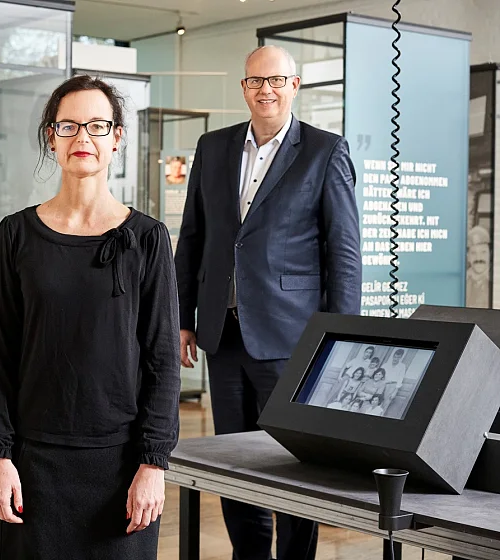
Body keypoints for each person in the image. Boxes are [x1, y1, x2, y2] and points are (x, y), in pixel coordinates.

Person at [0, 74, 181, 559]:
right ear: (51, 137)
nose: (82, 138)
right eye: (68, 126)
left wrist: (153, 463)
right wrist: (0, 455)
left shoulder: (147, 239)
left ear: (116, 138)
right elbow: (1, 354)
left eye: (97, 126)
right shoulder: (16, 234)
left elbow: (162, 362)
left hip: (120, 466)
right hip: (34, 462)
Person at [175, 45, 362, 560]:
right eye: (256, 81)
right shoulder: (213, 147)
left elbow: (344, 253)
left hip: (293, 338)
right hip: (223, 335)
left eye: (276, 80)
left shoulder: (325, 151)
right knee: (235, 461)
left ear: (294, 86)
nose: (266, 90)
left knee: (295, 466)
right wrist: (184, 318)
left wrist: (340, 342)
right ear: (244, 87)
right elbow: (192, 237)